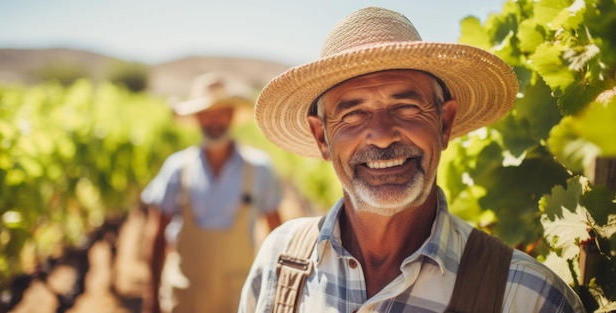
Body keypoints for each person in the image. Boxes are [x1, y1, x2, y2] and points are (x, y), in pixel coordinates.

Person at [239, 7, 586, 313]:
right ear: (322, 138)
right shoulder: (279, 262)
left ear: (444, 123)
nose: (383, 134)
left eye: (406, 107)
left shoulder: (530, 299)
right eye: (353, 114)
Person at [140, 71, 282, 313]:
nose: (214, 121)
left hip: (240, 296)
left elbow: (278, 234)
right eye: (207, 114)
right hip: (185, 294)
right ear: (197, 119)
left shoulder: (259, 169)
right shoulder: (177, 168)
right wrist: (151, 296)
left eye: (221, 113)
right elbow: (157, 232)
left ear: (232, 116)